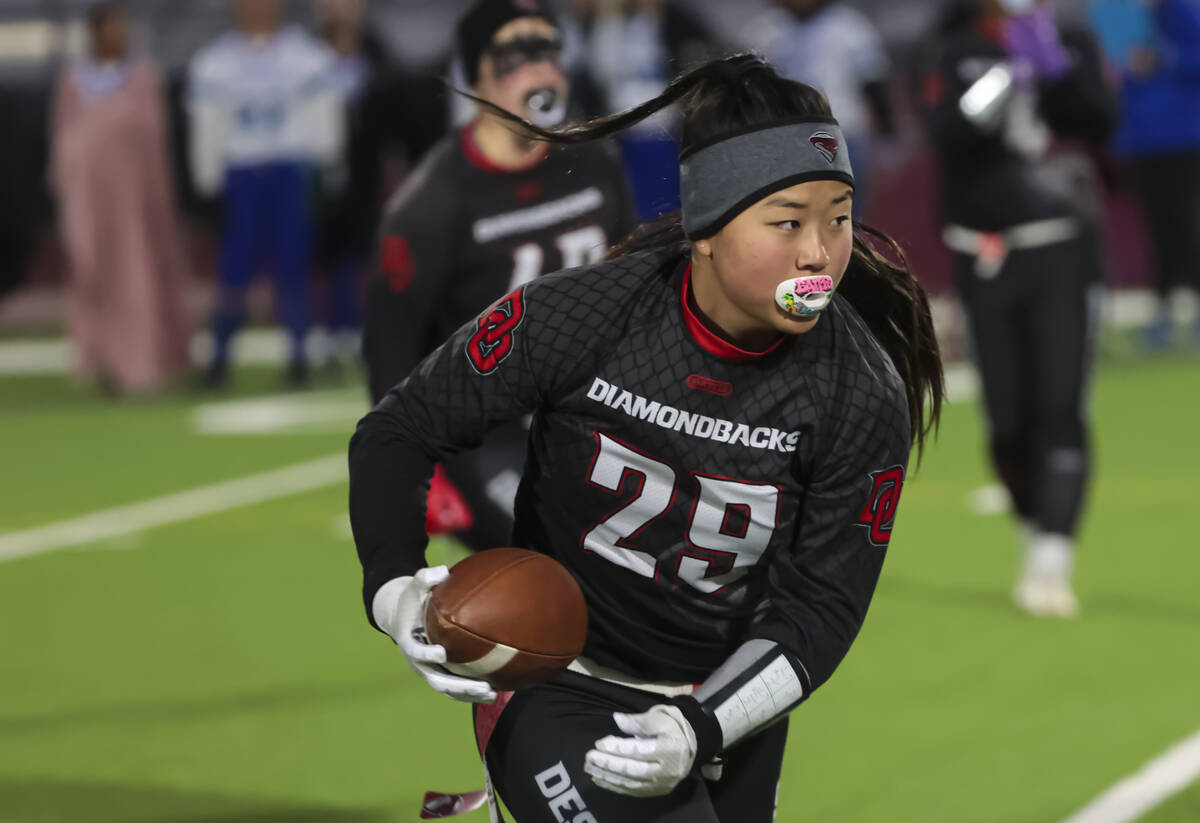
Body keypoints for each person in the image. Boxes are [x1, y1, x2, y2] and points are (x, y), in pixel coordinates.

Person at [350, 54, 943, 821]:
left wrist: (702, 722)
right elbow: (401, 427)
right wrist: (394, 589)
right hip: (562, 681)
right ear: (707, 225)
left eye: (839, 217)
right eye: (788, 220)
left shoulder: (858, 389)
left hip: (727, 704)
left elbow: (822, 609)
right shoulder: (582, 316)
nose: (818, 252)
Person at [363, 0, 637, 553]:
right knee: (559, 555)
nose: (539, 69)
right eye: (515, 55)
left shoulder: (592, 159)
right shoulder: (432, 203)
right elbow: (391, 344)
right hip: (488, 429)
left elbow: (636, 282)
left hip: (595, 415)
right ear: (476, 76)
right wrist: (412, 471)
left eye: (548, 50)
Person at [919, 0, 1117, 617]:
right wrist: (1006, 79)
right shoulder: (953, 47)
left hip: (1061, 248)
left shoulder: (1072, 41)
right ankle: (1033, 525)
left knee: (1061, 404)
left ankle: (1053, 556)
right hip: (986, 253)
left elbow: (1099, 123)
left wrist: (1055, 72)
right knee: (1006, 420)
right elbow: (946, 136)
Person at [187, 0, 343, 387]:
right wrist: (207, 179)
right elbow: (207, 124)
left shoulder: (305, 55)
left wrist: (329, 163)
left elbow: (325, 116)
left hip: (289, 169)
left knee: (293, 268)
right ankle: (219, 359)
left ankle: (298, 358)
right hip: (242, 173)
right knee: (234, 270)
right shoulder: (215, 62)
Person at [48, 1, 191, 395]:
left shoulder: (142, 78)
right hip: (88, 198)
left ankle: (142, 361)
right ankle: (101, 359)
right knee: (91, 273)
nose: (119, 35)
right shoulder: (74, 81)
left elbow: (154, 139)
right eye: (111, 27)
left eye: (122, 27)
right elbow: (63, 138)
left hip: (133, 198)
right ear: (96, 32)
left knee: (136, 274)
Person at [1091, 0, 1200, 348]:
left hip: (1181, 137)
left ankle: (1185, 312)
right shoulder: (1122, 11)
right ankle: (1164, 312)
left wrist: (1161, 59)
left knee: (1182, 225)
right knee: (1158, 228)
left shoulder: (1184, 8)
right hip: (1142, 140)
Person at [741, 0, 896, 218]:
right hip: (785, 140)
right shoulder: (767, 31)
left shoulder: (850, 27)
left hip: (843, 137)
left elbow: (872, 84)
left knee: (844, 214)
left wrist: (888, 134)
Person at [571, 0, 719, 219]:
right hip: (624, 136)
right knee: (634, 207)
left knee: (674, 207)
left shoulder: (676, 19)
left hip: (670, 134)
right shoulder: (603, 26)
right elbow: (594, 78)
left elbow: (700, 62)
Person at [311, 0, 390, 373]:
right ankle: (324, 333)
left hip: (363, 168)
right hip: (318, 169)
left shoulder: (376, 52)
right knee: (322, 252)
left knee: (361, 252)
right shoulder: (307, 53)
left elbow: (393, 100)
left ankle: (358, 330)